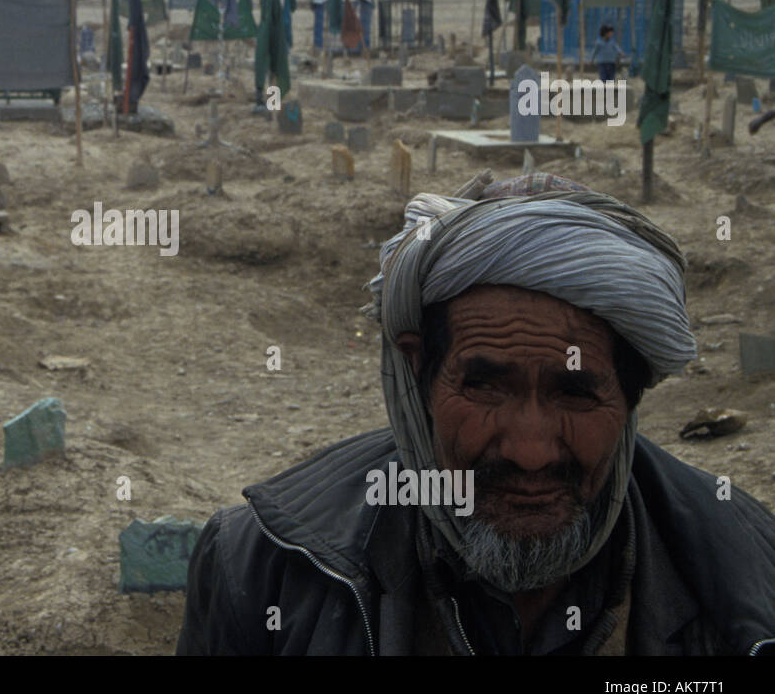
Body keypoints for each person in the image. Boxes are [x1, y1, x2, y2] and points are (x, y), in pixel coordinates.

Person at [177, 173, 775, 656]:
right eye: (486, 387)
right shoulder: (262, 567)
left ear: (632, 393)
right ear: (417, 375)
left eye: (575, 394)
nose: (530, 450)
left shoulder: (749, 580)